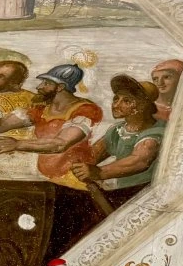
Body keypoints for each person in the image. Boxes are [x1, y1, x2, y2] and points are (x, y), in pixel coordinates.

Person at [69, 76, 164, 207]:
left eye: (126, 101)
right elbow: (92, 156)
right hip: (118, 193)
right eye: (116, 99)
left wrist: (98, 172)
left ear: (143, 105)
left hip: (142, 197)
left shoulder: (156, 132)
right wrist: (77, 161)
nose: (116, 105)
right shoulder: (117, 130)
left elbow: (139, 161)